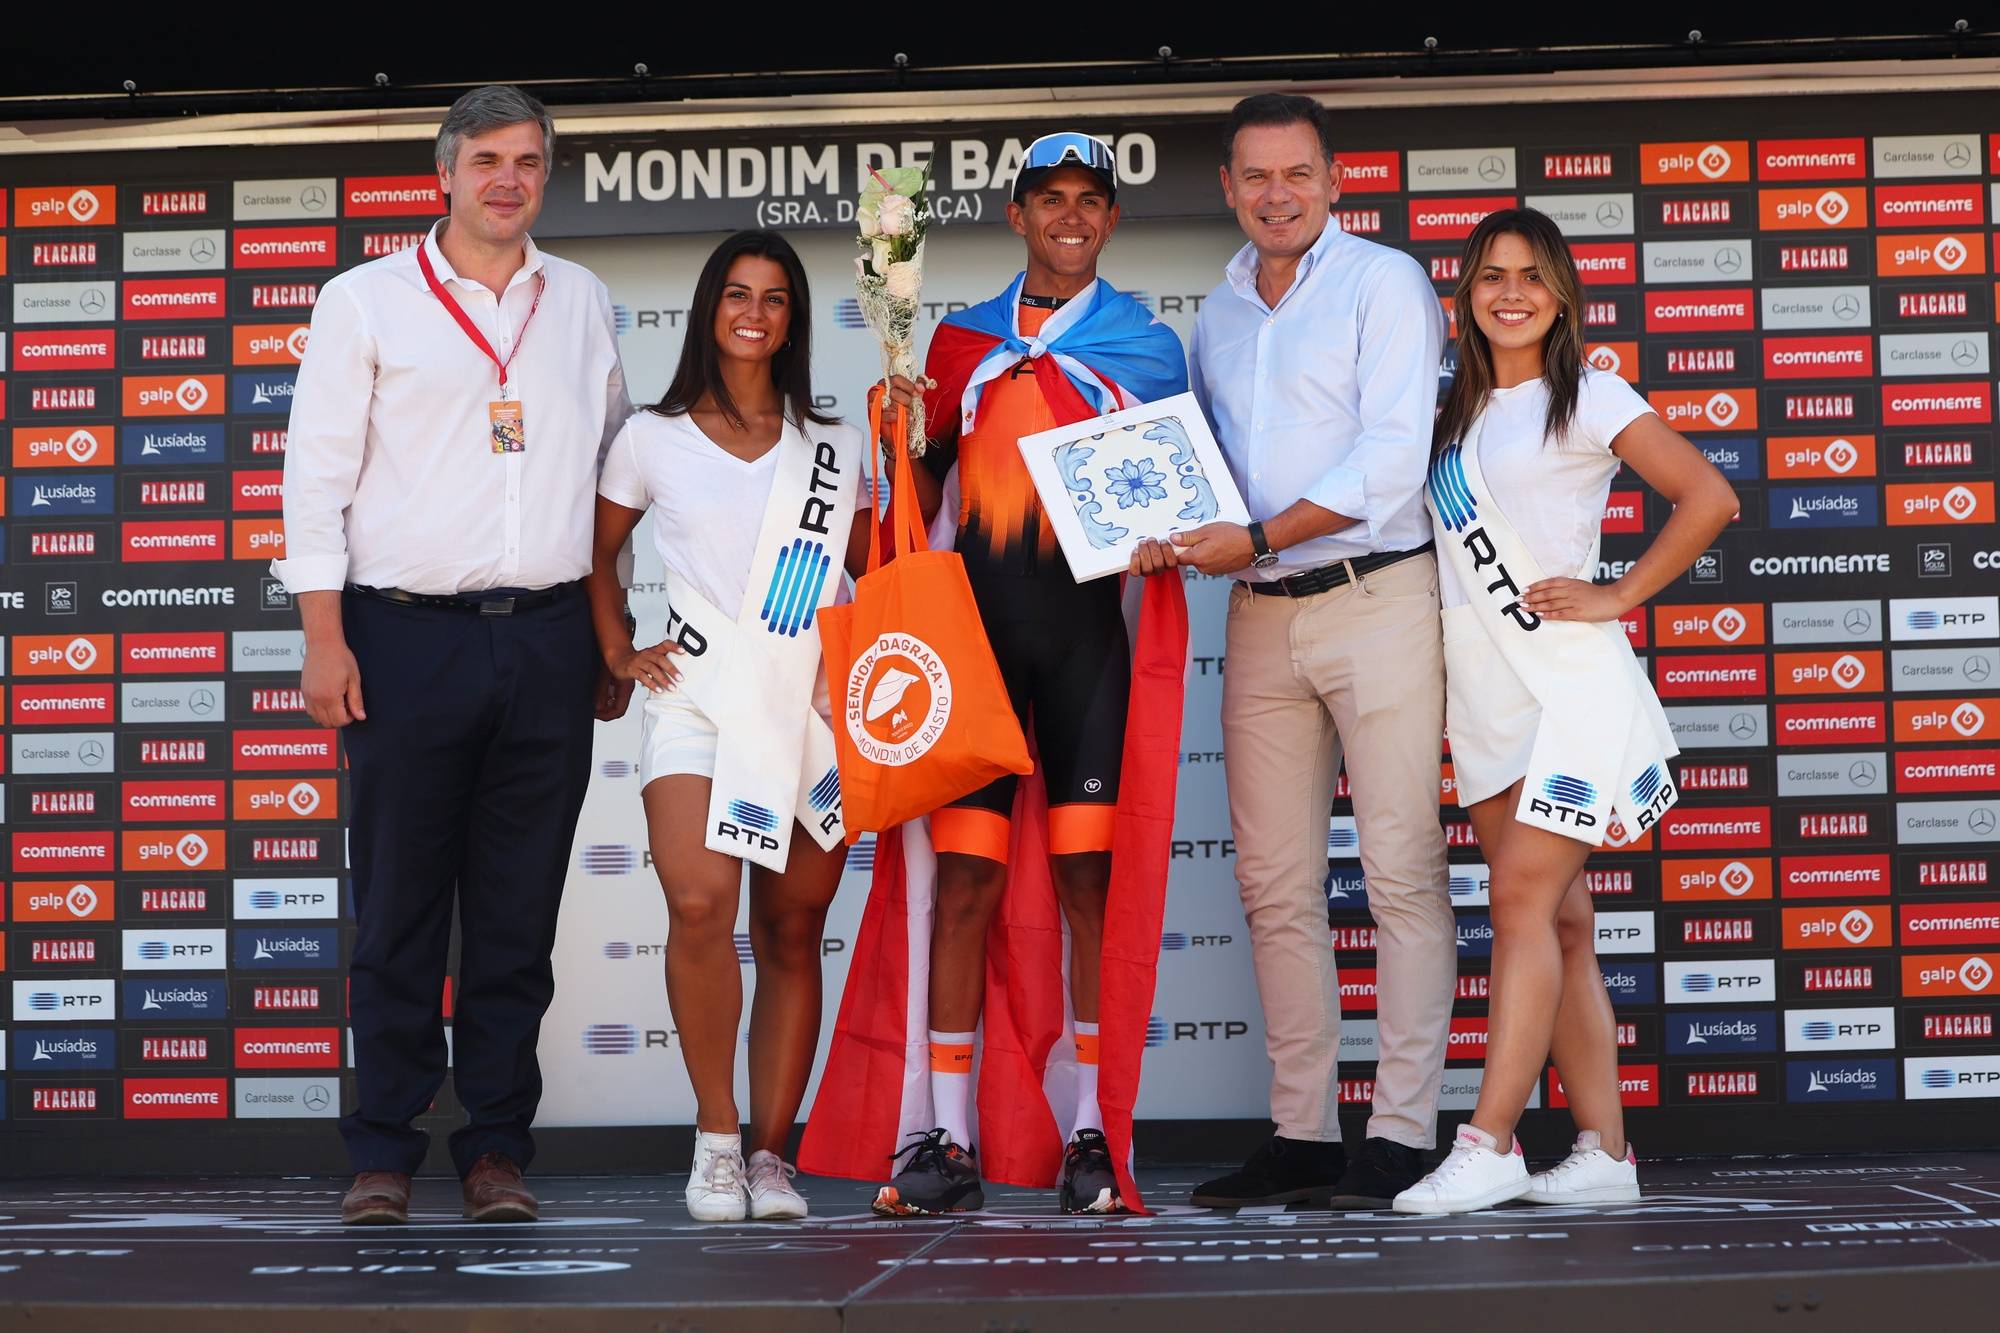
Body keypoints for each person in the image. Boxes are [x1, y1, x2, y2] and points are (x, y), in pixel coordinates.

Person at [799, 131, 1190, 1216]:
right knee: (963, 885)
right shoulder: (958, 344)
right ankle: (947, 1142)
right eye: (1048, 198)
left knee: (1084, 888)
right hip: (969, 653)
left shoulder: (1150, 348)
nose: (1070, 215)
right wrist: (898, 423)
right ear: (1014, 215)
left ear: (1110, 220)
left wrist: (1172, 535)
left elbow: (1177, 497)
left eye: (1089, 200)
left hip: (1083, 651)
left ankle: (1086, 1138)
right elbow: (914, 490)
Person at [277, 85, 633, 1226]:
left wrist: (609, 631)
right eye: (486, 159)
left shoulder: (579, 300)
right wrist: (323, 638)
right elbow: (314, 481)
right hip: (401, 637)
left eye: (528, 161)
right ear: (444, 173)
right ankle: (381, 1148)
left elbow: (611, 477)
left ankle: (493, 1150)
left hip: (545, 637)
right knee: (396, 913)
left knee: (517, 916)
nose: (508, 180)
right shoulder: (365, 300)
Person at [1136, 92, 1456, 1210]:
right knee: (1274, 885)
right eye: (1255, 177)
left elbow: (1386, 463)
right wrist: (1162, 527)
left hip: (1376, 596)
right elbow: (1205, 470)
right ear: (1226, 187)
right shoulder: (1213, 318)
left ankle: (1406, 1131)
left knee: (1400, 871)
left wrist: (1257, 533)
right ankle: (1304, 1133)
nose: (1276, 195)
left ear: (1332, 182)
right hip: (1259, 615)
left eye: (1297, 175)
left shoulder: (1385, 284)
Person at [1393, 208, 1736, 1213]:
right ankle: (1603, 1153)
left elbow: (1706, 495)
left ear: (1560, 296)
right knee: (1566, 923)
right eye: (1491, 274)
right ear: (1464, 293)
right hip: (1484, 690)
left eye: (1530, 277)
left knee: (1519, 906)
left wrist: (1618, 593)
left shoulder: (1586, 395)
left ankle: (1490, 1140)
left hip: (1565, 689)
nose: (1509, 293)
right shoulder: (1444, 414)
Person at [586, 231, 869, 1222]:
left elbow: (873, 571)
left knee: (792, 928)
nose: (755, 311)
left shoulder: (836, 445)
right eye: (737, 293)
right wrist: (619, 650)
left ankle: (769, 1156)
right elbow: (597, 551)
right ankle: (714, 1140)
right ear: (708, 308)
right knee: (700, 902)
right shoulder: (649, 436)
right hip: (698, 697)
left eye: (777, 297)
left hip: (808, 708)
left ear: (793, 319)